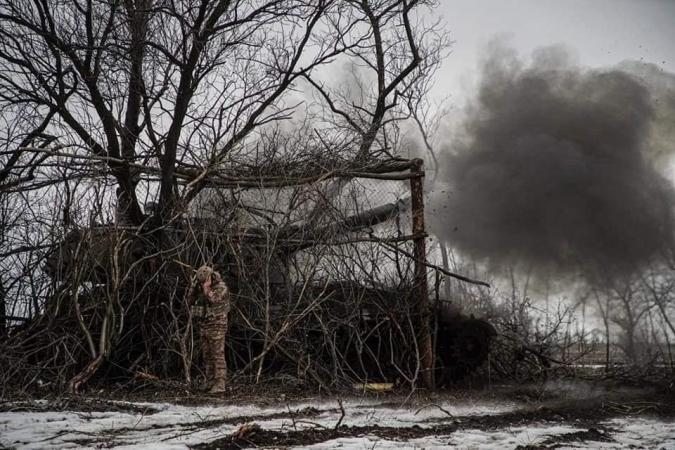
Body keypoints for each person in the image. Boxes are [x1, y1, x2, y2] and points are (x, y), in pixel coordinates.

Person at [194, 265, 230, 393]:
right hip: (205, 325)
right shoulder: (200, 287)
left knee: (217, 355)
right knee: (207, 355)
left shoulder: (221, 288)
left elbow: (214, 299)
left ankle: (220, 384)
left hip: (217, 326)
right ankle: (210, 381)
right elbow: (190, 302)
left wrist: (207, 288)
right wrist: (194, 288)